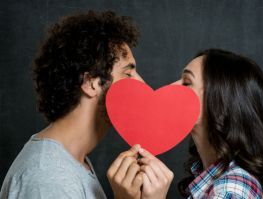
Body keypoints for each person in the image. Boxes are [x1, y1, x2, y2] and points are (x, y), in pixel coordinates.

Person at [0, 10, 172, 199]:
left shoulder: (74, 162)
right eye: (128, 73)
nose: (143, 85)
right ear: (91, 83)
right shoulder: (48, 180)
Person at [172, 49, 263, 198]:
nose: (171, 87)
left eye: (187, 82)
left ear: (220, 101)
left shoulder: (229, 191)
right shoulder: (218, 180)